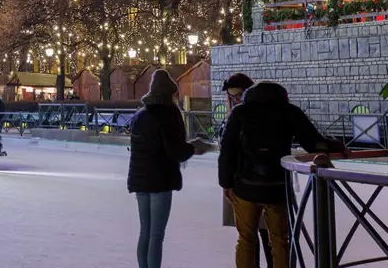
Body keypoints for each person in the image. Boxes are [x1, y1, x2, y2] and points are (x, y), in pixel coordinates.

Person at [219, 81, 346, 268]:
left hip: (245, 186)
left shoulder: (239, 112)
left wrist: (226, 183)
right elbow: (313, 142)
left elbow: (227, 149)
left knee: (246, 239)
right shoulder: (289, 111)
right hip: (277, 186)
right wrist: (338, 146)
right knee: (280, 241)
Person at [127, 70, 208, 268]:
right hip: (160, 180)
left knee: (145, 232)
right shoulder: (167, 115)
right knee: (156, 235)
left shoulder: (140, 115)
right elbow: (175, 151)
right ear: (169, 93)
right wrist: (194, 148)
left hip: (139, 179)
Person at [221, 74, 274, 268]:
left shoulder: (256, 116)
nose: (235, 100)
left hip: (260, 182)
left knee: (268, 235)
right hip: (239, 183)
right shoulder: (232, 117)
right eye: (231, 96)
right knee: (248, 236)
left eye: (239, 95)